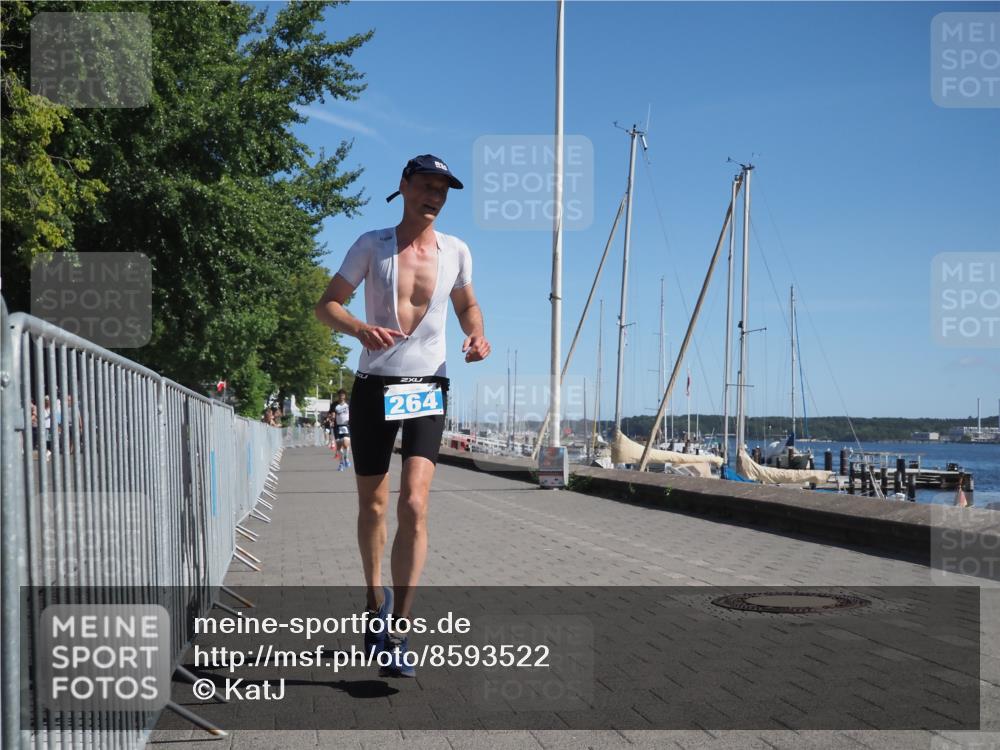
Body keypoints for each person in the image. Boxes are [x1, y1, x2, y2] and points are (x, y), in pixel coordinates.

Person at [315, 154, 491, 677]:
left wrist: (477, 335)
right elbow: (327, 305)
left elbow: (468, 306)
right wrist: (359, 329)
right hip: (374, 385)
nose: (435, 196)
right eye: (427, 186)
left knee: (414, 503)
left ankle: (398, 630)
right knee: (373, 506)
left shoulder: (456, 250)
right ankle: (375, 602)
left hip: (426, 385)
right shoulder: (372, 245)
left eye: (443, 189)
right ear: (405, 186)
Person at [333, 389, 352, 471]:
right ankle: (341, 463)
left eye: (343, 395)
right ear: (338, 396)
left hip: (346, 426)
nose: (341, 396)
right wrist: (332, 416)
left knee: (345, 444)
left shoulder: (348, 404)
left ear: (345, 396)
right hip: (337, 427)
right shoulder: (334, 405)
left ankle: (346, 458)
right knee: (339, 447)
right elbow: (331, 413)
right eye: (340, 395)